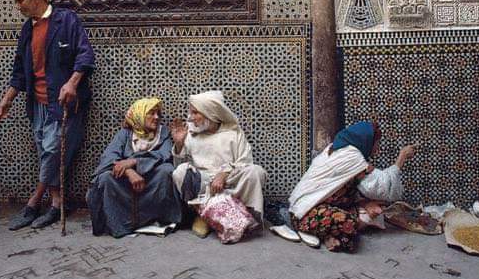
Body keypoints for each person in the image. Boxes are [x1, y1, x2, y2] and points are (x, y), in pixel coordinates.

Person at [0, 0, 95, 230]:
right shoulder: (28, 28)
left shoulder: (66, 20)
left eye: (21, 0)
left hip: (63, 102)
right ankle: (57, 203)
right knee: (46, 152)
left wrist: (72, 83)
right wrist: (7, 99)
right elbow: (19, 70)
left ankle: (33, 202)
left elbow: (85, 55)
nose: (17, 6)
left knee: (52, 150)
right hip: (37, 102)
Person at [286, 121, 416, 252]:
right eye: (376, 143)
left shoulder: (341, 149)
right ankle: (327, 236)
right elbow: (383, 187)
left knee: (370, 209)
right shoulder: (351, 157)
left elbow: (369, 184)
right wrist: (401, 158)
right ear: (367, 141)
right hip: (303, 214)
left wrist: (366, 203)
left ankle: (328, 232)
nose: (378, 148)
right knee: (349, 222)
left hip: (317, 205)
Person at [170, 90, 267, 237]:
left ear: (210, 114)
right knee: (181, 172)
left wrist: (224, 174)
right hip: (203, 184)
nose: (190, 118)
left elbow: (245, 161)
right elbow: (180, 164)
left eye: (196, 113)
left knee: (256, 172)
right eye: (191, 113)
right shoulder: (190, 133)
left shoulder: (234, 133)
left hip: (229, 180)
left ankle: (239, 216)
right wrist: (179, 144)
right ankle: (204, 216)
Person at [88, 98, 181, 237]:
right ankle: (120, 224)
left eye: (158, 114)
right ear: (139, 115)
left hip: (151, 182)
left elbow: (165, 154)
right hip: (126, 185)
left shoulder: (163, 132)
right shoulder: (125, 134)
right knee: (105, 178)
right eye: (151, 113)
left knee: (166, 170)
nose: (156, 117)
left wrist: (134, 162)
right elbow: (109, 158)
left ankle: (158, 219)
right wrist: (129, 171)